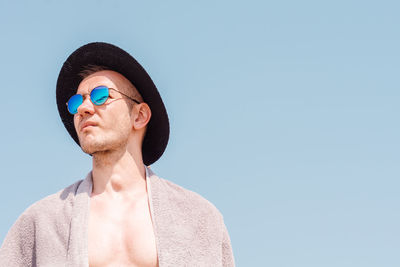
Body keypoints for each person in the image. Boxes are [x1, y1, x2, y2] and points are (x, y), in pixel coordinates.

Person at [0, 42, 235, 266]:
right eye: (76, 102)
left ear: (140, 116)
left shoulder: (198, 218)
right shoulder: (42, 222)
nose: (83, 108)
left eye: (101, 96)